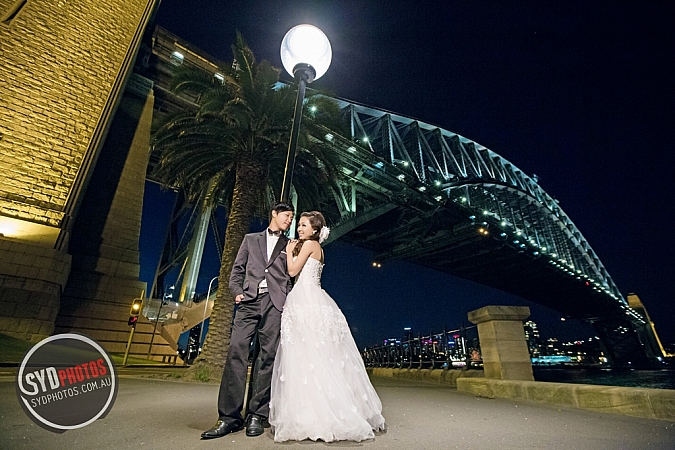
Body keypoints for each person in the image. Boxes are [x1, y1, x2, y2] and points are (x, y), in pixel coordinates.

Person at [269, 211, 386, 442]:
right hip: (314, 299)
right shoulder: (317, 248)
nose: (299, 228)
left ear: (315, 230)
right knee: (316, 355)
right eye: (299, 225)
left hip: (305, 301)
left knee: (305, 356)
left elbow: (292, 271)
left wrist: (288, 252)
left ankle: (312, 415)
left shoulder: (309, 245)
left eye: (304, 225)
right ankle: (318, 412)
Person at [201, 202, 294, 439]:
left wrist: (286, 299)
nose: (289, 220)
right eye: (286, 215)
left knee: (266, 357)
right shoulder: (250, 239)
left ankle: (256, 415)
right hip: (249, 302)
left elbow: (292, 277)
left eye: (292, 217)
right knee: (236, 350)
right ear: (274, 214)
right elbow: (237, 270)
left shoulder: (290, 245)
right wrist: (236, 292)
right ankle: (228, 417)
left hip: (275, 305)